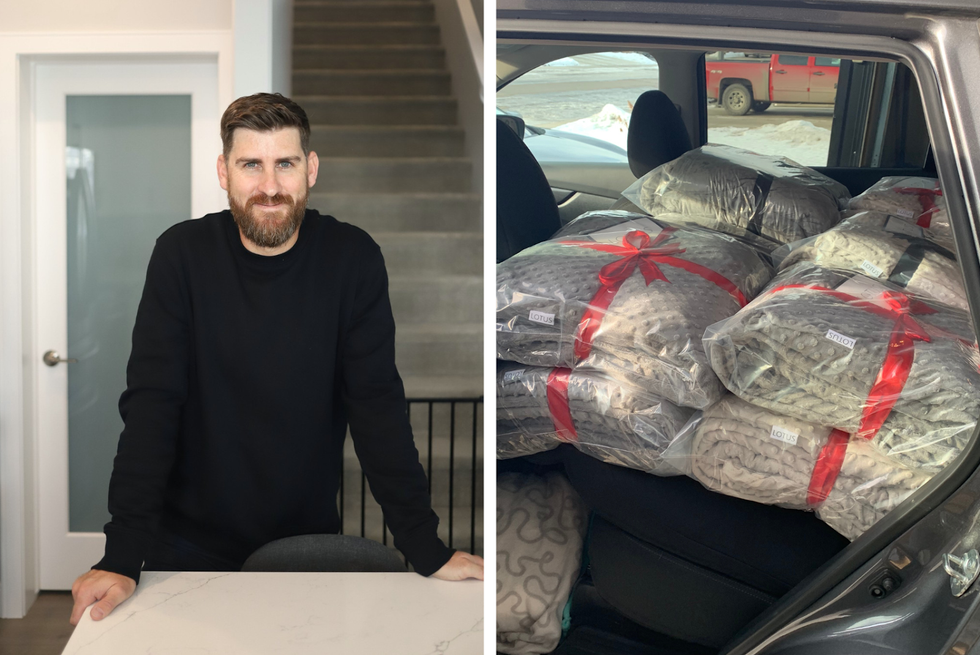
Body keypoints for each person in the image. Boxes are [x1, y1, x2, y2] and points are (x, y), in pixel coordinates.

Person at [69, 93, 484, 625]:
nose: (269, 185)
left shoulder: (352, 258)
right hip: (183, 547)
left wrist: (425, 547)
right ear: (224, 171)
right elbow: (152, 407)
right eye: (251, 165)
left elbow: (377, 407)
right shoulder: (181, 255)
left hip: (303, 546)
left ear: (310, 169)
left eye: (284, 163)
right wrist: (123, 553)